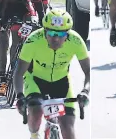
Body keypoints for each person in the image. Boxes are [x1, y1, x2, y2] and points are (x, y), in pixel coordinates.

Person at [14, 9, 90, 139]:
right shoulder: (33, 40)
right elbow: (19, 72)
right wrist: (20, 96)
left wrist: (85, 91)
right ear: (44, 32)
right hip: (35, 80)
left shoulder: (76, 41)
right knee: (36, 112)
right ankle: (34, 135)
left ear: (68, 34)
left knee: (68, 129)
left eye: (60, 35)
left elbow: (88, 71)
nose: (55, 38)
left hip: (61, 82)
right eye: (51, 33)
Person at [0, 0, 45, 96]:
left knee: (17, 39)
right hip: (7, 11)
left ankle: (16, 69)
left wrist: (42, 22)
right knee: (3, 42)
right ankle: (3, 79)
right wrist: (0, 22)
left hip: (24, 11)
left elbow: (39, 8)